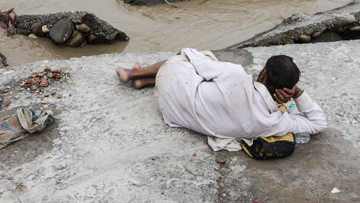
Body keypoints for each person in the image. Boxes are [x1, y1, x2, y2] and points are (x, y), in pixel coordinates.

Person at [116, 48, 326, 152]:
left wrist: (192, 53)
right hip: (176, 113)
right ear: (287, 90)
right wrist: (298, 94)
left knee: (197, 56)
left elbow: (191, 55)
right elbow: (318, 123)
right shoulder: (274, 122)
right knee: (206, 71)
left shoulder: (237, 76)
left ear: (263, 75)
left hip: (175, 97)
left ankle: (133, 74)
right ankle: (145, 82)